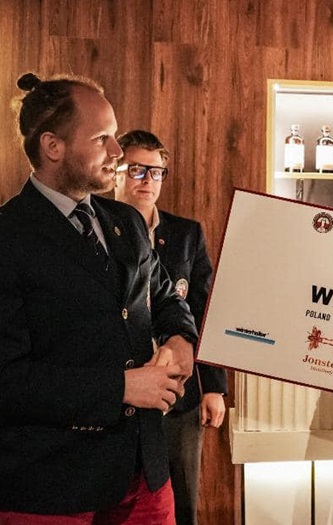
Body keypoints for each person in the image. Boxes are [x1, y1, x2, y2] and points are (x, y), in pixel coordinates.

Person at [0, 72, 197, 523]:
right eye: (102, 138)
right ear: (53, 146)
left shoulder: (126, 222)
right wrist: (122, 388)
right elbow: (7, 379)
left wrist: (180, 338)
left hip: (144, 474)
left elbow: (167, 298)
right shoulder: (8, 236)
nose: (117, 152)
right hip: (50, 484)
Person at [114, 129, 228, 525]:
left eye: (156, 172)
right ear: (114, 173)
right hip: (118, 390)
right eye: (136, 170)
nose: (147, 181)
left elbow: (203, 309)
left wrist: (213, 386)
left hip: (179, 394)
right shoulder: (95, 231)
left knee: (181, 498)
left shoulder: (185, 234)